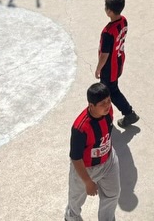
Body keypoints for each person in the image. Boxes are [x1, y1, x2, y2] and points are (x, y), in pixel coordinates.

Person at [65, 83, 121, 221]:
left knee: (112, 195)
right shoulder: (80, 128)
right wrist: (88, 182)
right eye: (102, 103)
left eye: (108, 100)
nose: (107, 105)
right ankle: (71, 218)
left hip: (108, 161)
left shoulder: (108, 112)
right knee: (75, 202)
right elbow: (76, 158)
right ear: (91, 105)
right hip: (86, 169)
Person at [96, 0, 139, 128]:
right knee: (109, 90)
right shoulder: (123, 20)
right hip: (118, 62)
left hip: (109, 68)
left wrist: (98, 69)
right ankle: (108, 114)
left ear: (109, 11)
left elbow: (104, 55)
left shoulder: (108, 32)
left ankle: (128, 113)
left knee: (111, 92)